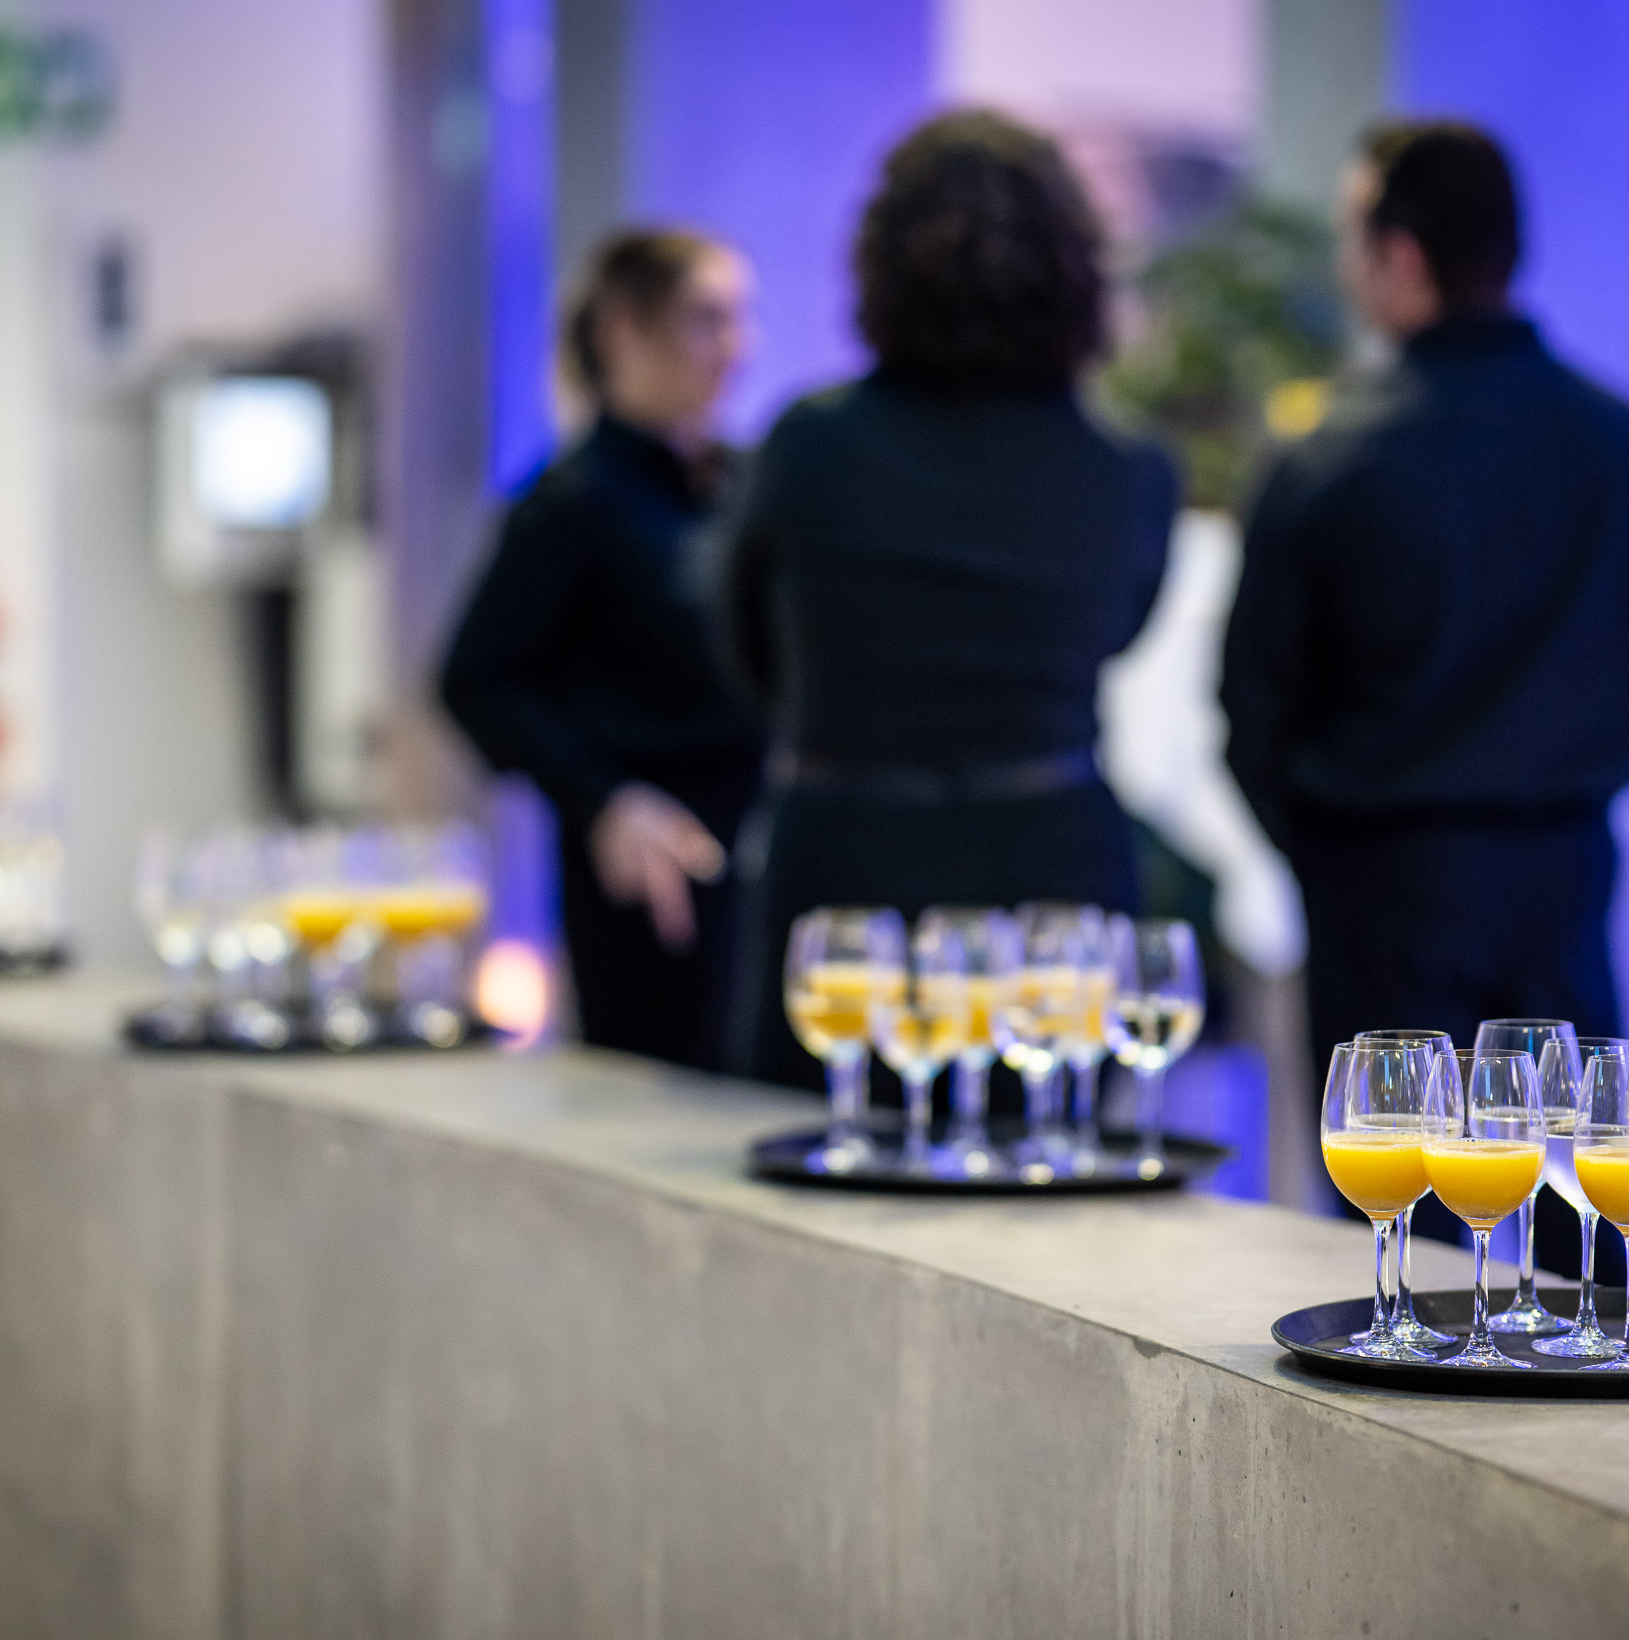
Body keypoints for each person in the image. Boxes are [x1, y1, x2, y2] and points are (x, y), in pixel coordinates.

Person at [1220, 122, 1629, 1267]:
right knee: (1578, 1233)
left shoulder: (1326, 460)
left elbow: (1251, 712)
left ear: (1398, 256)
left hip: (1379, 882)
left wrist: (1327, 847)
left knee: (1407, 1253)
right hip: (1562, 870)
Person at [720, 109, 1178, 1090]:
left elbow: (748, 647)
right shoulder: (1127, 467)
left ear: (880, 263)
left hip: (846, 866)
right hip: (1051, 870)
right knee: (1052, 1163)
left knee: (824, 1153)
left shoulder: (810, 445)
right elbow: (1121, 630)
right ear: (1075, 270)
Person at [441, 229, 766, 1070]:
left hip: (758, 851)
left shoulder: (740, 483)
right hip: (647, 877)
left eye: (739, 320)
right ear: (624, 329)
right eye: (707, 320)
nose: (737, 348)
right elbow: (475, 678)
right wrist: (608, 802)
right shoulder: (573, 500)